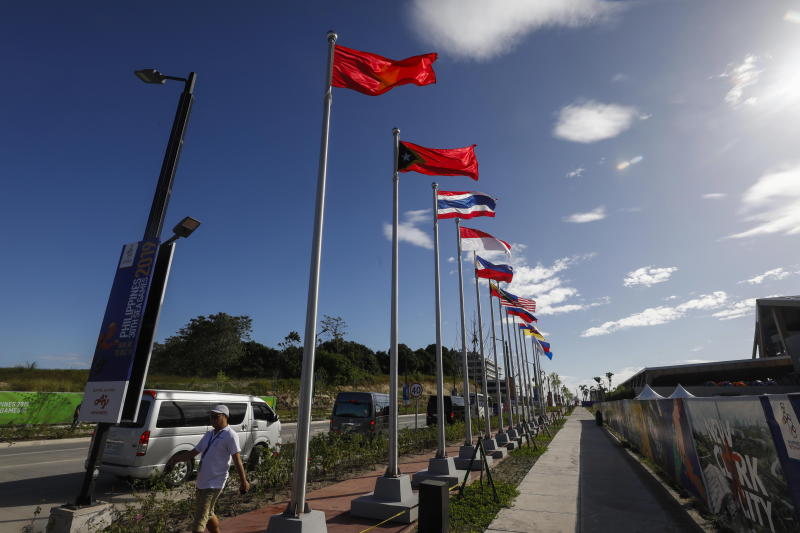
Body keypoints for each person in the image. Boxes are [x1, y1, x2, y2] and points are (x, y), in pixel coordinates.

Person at [166, 404, 250, 533]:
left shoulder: (230, 435)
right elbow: (193, 452)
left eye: (216, 416)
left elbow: (237, 460)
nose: (212, 419)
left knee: (199, 521)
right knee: (208, 513)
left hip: (214, 483)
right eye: (211, 416)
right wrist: (175, 459)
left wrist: (243, 481)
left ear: (225, 417)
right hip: (202, 482)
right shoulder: (209, 434)